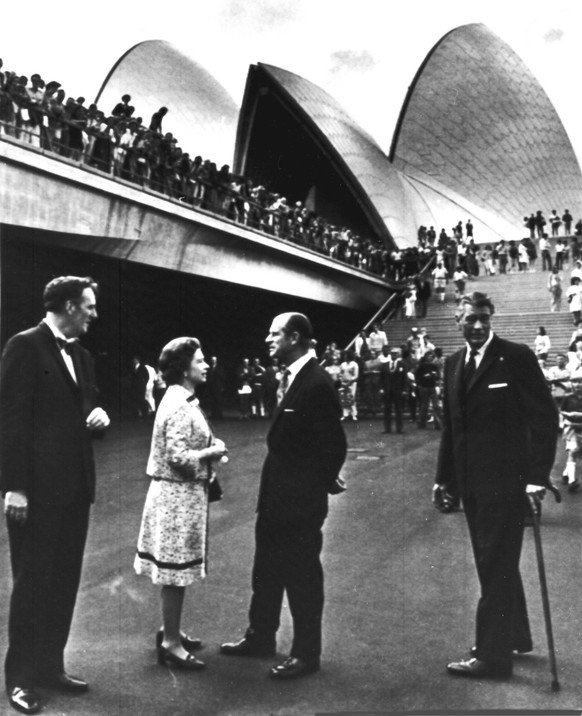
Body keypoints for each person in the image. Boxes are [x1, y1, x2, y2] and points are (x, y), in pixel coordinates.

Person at [0, 276, 110, 715]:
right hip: (37, 492)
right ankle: (21, 679)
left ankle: (50, 666)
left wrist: (96, 416)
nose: (94, 314)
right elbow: (11, 421)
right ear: (68, 306)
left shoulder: (81, 356)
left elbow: (78, 411)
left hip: (74, 489)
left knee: (63, 582)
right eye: (89, 306)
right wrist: (15, 487)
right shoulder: (24, 346)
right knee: (32, 585)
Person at [434, 291, 557, 680]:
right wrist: (444, 479)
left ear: (491, 319)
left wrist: (538, 476)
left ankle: (492, 656)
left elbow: (544, 418)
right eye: (469, 319)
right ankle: (514, 636)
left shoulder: (516, 357)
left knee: (496, 564)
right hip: (472, 486)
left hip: (508, 485)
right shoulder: (454, 364)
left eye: (484, 318)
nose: (477, 325)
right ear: (457, 322)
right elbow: (453, 429)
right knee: (496, 563)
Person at [220, 312, 347, 679]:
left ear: (294, 338)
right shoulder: (294, 379)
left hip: (298, 505)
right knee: (266, 572)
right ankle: (260, 636)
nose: (267, 339)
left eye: (274, 333)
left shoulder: (316, 384)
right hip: (275, 500)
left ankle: (307, 654)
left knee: (303, 578)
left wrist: (313, 490)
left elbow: (334, 446)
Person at [134, 337, 227, 671]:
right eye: (200, 360)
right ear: (184, 368)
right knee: (174, 572)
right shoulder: (176, 403)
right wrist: (211, 453)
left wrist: (207, 445)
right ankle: (171, 643)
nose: (205, 365)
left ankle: (170, 630)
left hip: (181, 497)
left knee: (176, 571)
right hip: (175, 498)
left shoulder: (181, 398)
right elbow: (177, 457)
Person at [559, 369, 582, 492]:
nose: (578, 384)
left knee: (577, 452)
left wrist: (576, 415)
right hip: (571, 429)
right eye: (575, 382)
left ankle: (565, 474)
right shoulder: (568, 398)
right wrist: (564, 422)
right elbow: (561, 412)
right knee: (572, 451)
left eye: (580, 382)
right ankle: (572, 481)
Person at [379, 347, 407, 434]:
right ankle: (387, 428)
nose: (394, 355)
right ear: (390, 355)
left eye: (396, 354)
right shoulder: (385, 365)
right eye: (392, 354)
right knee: (387, 410)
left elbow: (404, 379)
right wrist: (381, 388)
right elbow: (381, 378)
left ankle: (399, 429)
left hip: (398, 391)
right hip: (387, 390)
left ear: (398, 355)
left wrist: (404, 389)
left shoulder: (402, 364)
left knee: (398, 410)